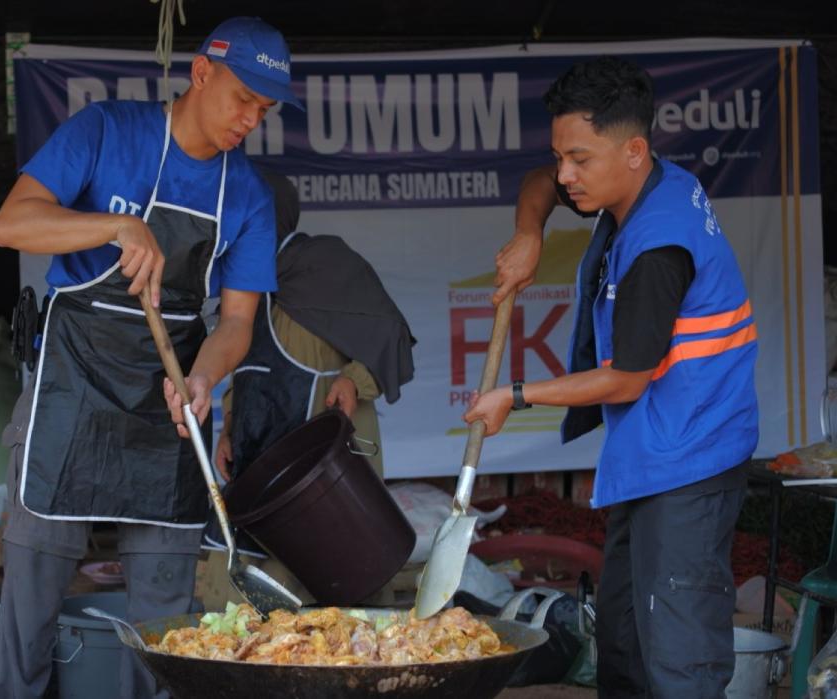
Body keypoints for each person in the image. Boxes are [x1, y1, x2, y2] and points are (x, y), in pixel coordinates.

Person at [0, 17, 303, 698]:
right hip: (73, 387)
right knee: (32, 603)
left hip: (169, 407)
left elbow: (238, 320)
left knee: (165, 631)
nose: (250, 119)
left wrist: (205, 376)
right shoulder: (108, 132)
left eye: (264, 109)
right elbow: (11, 222)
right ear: (201, 72)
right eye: (242, 98)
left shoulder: (245, 194)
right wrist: (115, 224)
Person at [471, 56, 758, 698]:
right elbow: (541, 185)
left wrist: (513, 396)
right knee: (623, 642)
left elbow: (626, 379)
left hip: (691, 462)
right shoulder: (639, 181)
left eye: (580, 160)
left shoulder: (659, 247)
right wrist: (528, 235)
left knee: (676, 655)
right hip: (653, 452)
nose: (566, 175)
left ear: (633, 149)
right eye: (561, 156)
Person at [200, 173, 416, 608]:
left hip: (326, 468)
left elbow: (389, 333)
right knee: (245, 589)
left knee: (345, 581)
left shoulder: (326, 263)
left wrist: (354, 379)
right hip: (259, 456)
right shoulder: (241, 285)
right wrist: (229, 429)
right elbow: (246, 367)